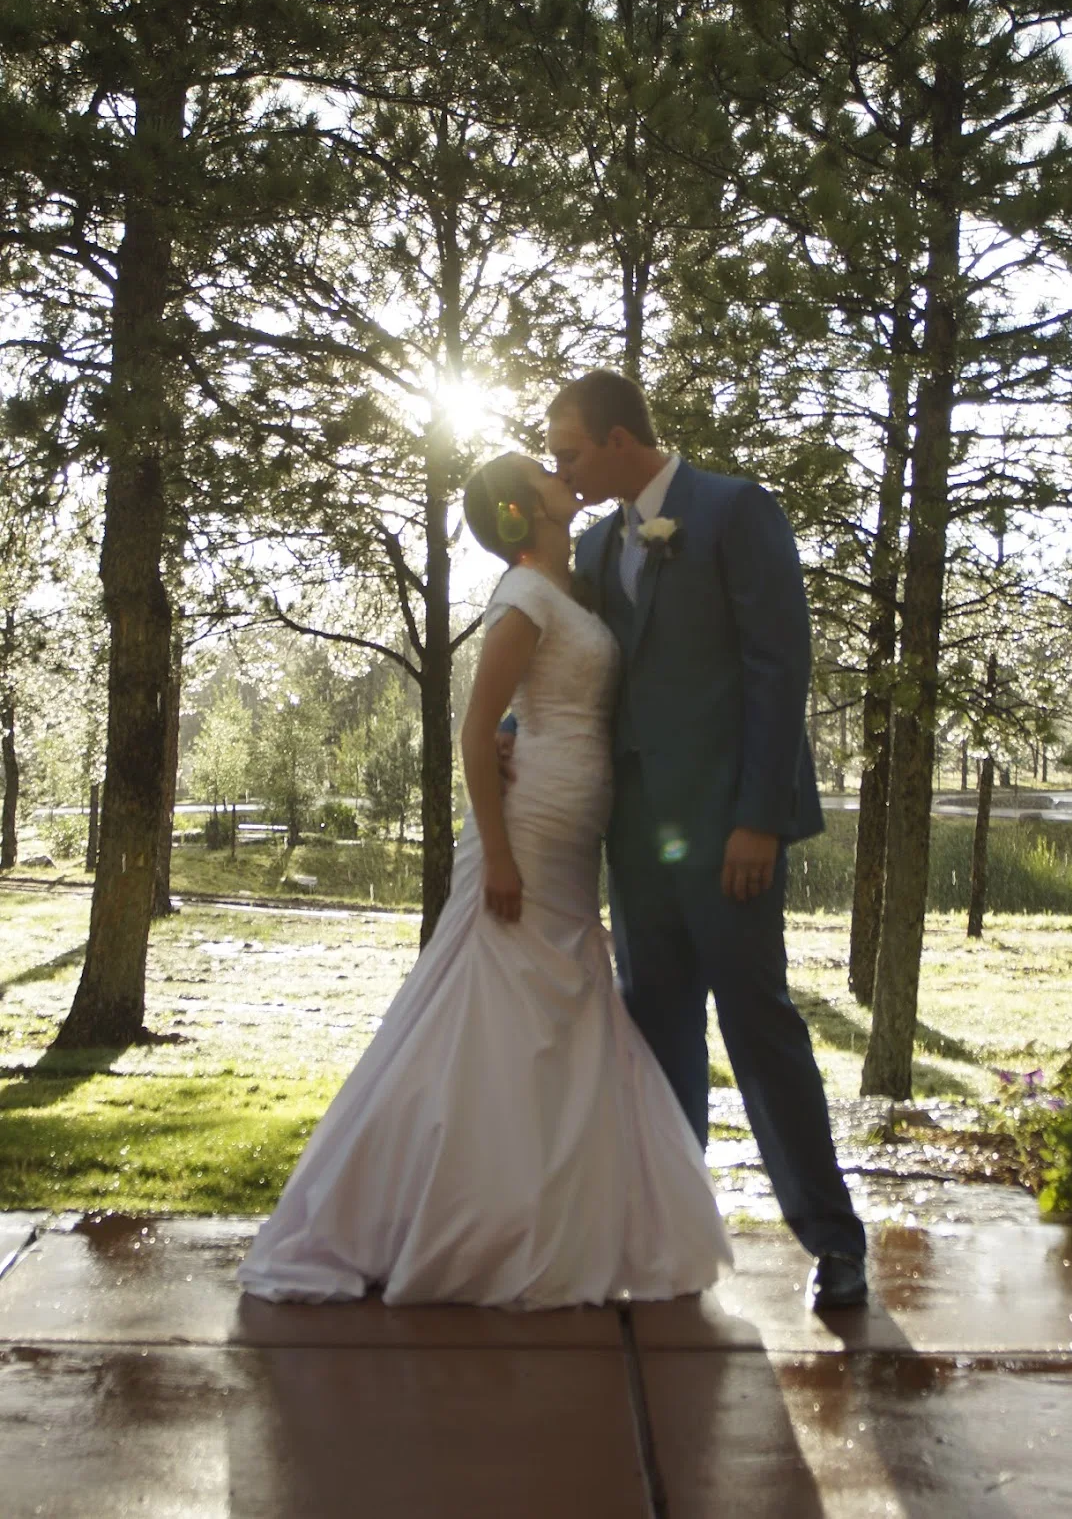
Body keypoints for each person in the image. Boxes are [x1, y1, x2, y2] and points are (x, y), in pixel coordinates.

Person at [238, 451, 731, 1307]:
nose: (559, 475)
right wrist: (497, 852)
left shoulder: (570, 592)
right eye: (543, 473)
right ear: (520, 510)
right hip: (527, 836)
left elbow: (531, 705)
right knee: (484, 1012)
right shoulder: (524, 594)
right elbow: (475, 729)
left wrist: (516, 730)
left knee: (562, 1012)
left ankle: (553, 1212)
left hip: (573, 837)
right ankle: (430, 1213)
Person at [544, 370, 867, 1310]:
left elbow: (779, 666)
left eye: (569, 452)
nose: (564, 470)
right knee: (657, 1029)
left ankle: (833, 1239)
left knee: (757, 1022)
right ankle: (676, 1239)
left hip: (731, 829)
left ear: (615, 438)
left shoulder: (735, 510)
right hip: (637, 838)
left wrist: (759, 817)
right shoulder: (599, 544)